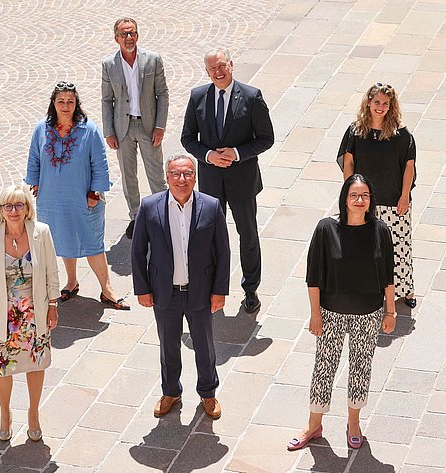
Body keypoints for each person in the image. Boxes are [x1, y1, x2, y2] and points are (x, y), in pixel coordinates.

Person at [287, 174, 396, 451]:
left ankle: (354, 423)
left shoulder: (380, 231)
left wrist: (390, 312)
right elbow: (313, 277)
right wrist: (315, 314)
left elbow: (388, 276)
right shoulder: (326, 229)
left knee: (361, 368)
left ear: (371, 200)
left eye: (365, 196)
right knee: (324, 367)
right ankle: (314, 425)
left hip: (368, 313)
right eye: (354, 196)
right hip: (331, 312)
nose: (360, 201)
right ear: (345, 199)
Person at [131, 154, 230, 419]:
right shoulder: (150, 206)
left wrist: (219, 291)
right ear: (167, 178)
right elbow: (138, 250)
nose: (181, 179)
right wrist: (142, 288)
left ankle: (208, 393)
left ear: (195, 177)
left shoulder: (211, 206)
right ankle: (171, 391)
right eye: (175, 174)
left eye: (187, 173)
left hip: (200, 291)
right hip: (165, 292)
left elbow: (223, 251)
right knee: (168, 345)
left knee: (205, 346)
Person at [181, 48, 274, 314]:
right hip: (211, 181)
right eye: (213, 69)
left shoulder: (251, 96)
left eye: (222, 66)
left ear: (231, 65)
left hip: (242, 180)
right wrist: (209, 156)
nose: (218, 72)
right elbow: (187, 138)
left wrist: (237, 153)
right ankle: (212, 288)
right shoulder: (197, 96)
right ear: (207, 71)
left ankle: (251, 289)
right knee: (209, 237)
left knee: (248, 235)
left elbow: (266, 138)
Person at [26, 82, 129, 310]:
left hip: (83, 198)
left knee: (92, 243)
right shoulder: (40, 129)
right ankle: (71, 283)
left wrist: (95, 192)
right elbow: (34, 157)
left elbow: (100, 163)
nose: (65, 106)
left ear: (76, 104)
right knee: (61, 240)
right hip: (51, 199)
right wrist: (34, 182)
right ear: (53, 103)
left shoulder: (88, 129)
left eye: (70, 101)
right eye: (61, 101)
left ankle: (107, 288)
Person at [0, 184, 60, 442]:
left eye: (19, 205)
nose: (13, 211)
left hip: (36, 310)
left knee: (36, 363)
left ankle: (33, 413)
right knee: (2, 367)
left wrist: (53, 305)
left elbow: (52, 272)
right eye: (8, 206)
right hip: (5, 314)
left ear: (27, 209)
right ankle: (4, 413)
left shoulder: (41, 232)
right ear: (1, 210)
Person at [337, 82, 417, 308]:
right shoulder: (356, 131)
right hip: (364, 201)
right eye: (377, 102)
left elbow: (409, 166)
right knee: (364, 247)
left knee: (399, 246)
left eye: (385, 103)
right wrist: (350, 194)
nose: (380, 107)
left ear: (391, 106)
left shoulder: (401, 134)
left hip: (393, 199)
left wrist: (404, 196)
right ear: (368, 103)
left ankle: (405, 291)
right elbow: (349, 162)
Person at [101, 17, 169, 239]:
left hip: (149, 126)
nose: (129, 38)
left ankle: (162, 215)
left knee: (155, 173)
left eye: (132, 33)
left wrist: (160, 125)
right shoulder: (109, 64)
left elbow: (162, 94)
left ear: (137, 35)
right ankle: (136, 217)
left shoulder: (152, 60)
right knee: (128, 175)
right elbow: (106, 100)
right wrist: (109, 131)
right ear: (116, 38)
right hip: (123, 128)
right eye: (124, 34)